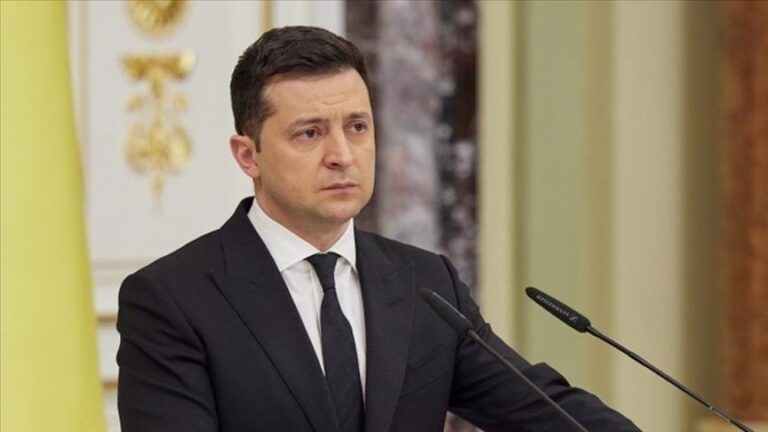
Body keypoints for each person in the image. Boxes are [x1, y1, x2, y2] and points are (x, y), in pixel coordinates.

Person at [116, 26, 639, 432]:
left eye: (357, 127)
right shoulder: (172, 300)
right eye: (310, 133)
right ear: (248, 155)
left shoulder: (424, 284)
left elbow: (543, 409)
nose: (342, 155)